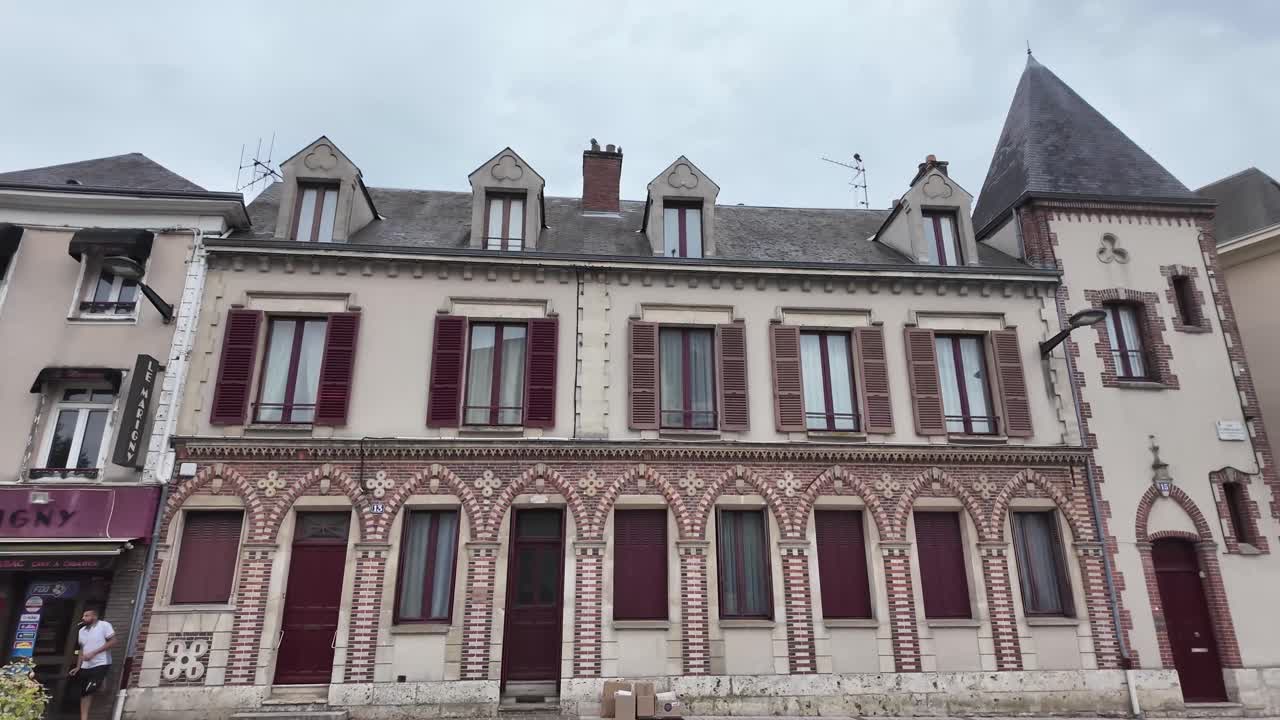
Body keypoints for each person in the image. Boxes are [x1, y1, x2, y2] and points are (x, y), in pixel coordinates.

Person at [69, 607, 116, 720]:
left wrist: (94, 653)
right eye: (83, 616)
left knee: (91, 688)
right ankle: (84, 718)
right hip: (86, 665)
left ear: (94, 616)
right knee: (85, 692)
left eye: (86, 616)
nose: (83, 618)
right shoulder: (82, 631)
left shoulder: (104, 625)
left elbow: (113, 641)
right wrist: (77, 666)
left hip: (101, 663)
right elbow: (81, 649)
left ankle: (102, 683)